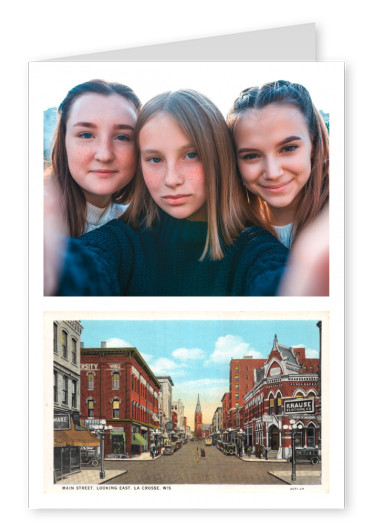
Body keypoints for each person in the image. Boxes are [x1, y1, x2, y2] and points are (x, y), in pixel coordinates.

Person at [48, 89, 289, 296]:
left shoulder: (257, 251)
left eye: (191, 155)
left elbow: (280, 284)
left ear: (219, 157)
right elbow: (84, 267)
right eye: (155, 159)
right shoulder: (122, 241)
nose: (171, 179)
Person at [227, 80, 329, 250]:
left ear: (314, 144)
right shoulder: (233, 236)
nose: (273, 172)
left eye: (288, 148)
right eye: (251, 156)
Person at [47, 79, 141, 237]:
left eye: (122, 137)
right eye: (86, 135)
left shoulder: (141, 226)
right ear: (64, 142)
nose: (104, 155)